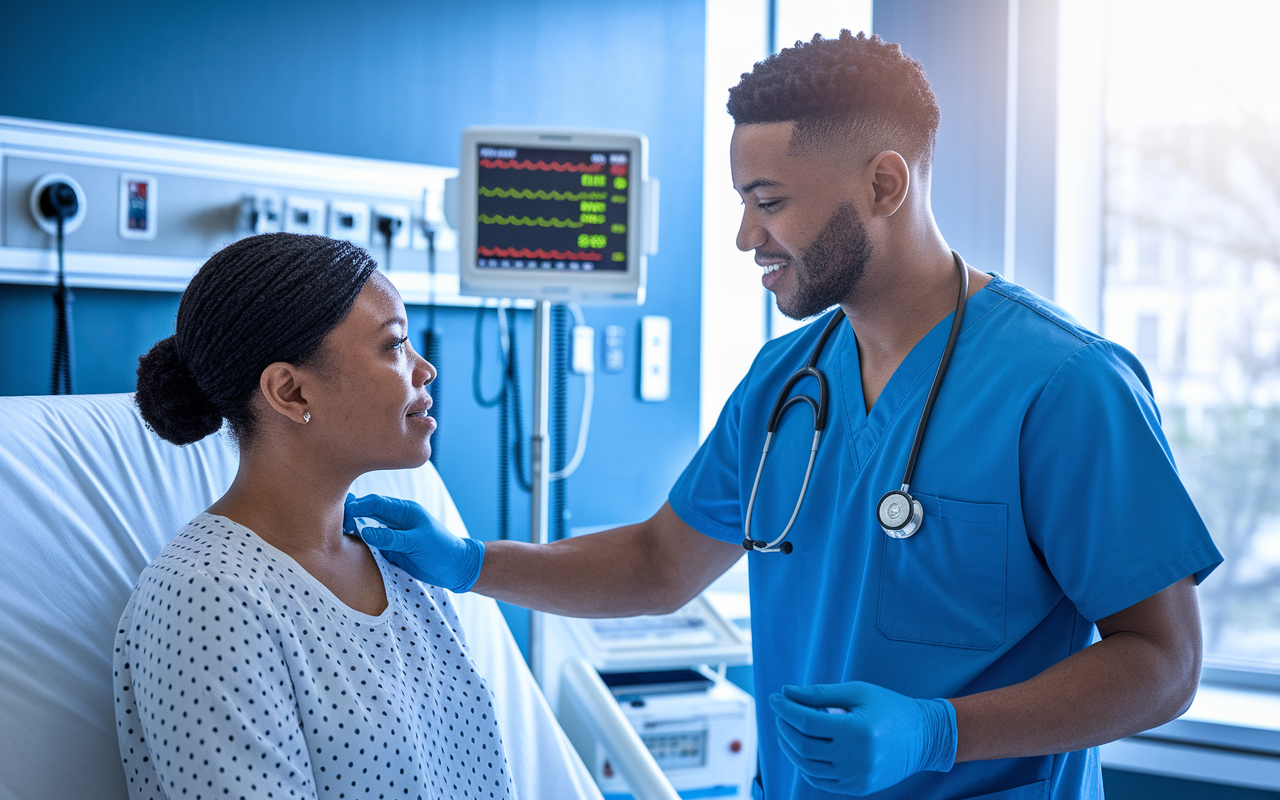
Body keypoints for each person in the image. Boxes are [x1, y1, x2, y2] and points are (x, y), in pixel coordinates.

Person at [348, 31, 1222, 799]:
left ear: (884, 184)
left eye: (768, 202)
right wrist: (469, 563)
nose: (744, 237)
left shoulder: (1064, 386)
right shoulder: (784, 382)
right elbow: (659, 563)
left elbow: (1163, 664)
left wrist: (937, 731)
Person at [114, 233, 510, 800]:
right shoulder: (208, 599)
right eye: (394, 345)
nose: (425, 370)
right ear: (291, 392)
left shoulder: (399, 562)